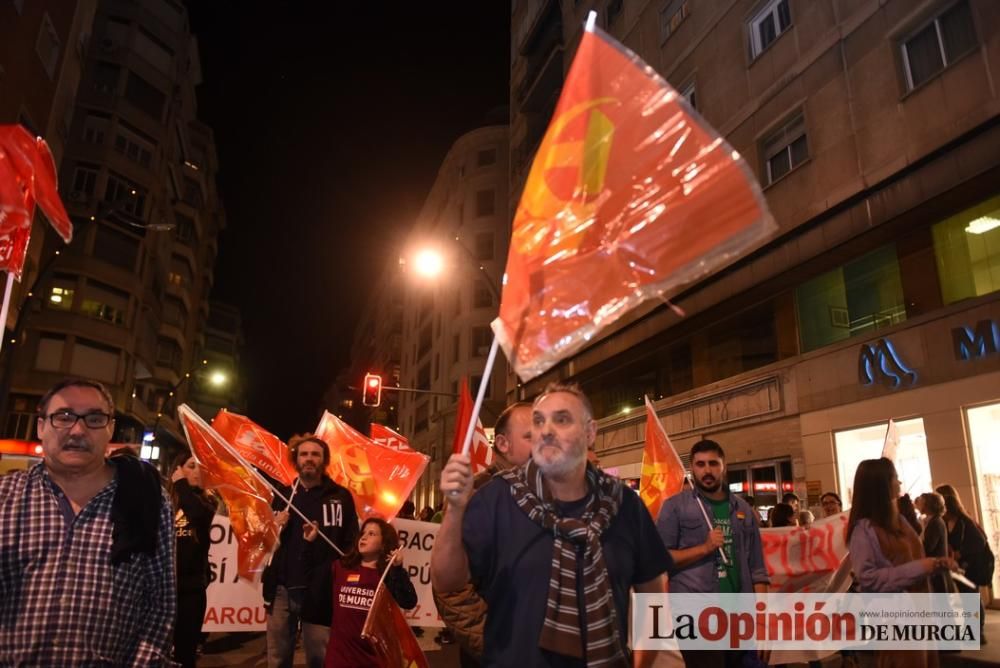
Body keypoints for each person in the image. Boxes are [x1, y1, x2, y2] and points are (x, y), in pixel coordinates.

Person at [432, 382, 673, 666]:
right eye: (538, 421)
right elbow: (446, 581)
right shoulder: (496, 498)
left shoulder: (625, 505)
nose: (546, 430)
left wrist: (642, 664)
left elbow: (654, 597)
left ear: (590, 432)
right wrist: (455, 511)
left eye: (561, 419)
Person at [0, 378, 176, 665]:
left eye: (94, 419)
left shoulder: (147, 502)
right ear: (41, 426)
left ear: (110, 429)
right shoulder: (5, 498)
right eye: (64, 417)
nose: (78, 430)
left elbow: (160, 604)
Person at [433, 402, 533, 667]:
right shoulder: (476, 498)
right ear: (503, 444)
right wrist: (499, 644)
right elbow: (451, 592)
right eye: (531, 435)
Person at [657, 439, 770, 668]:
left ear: (723, 466)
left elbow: (757, 569)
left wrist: (762, 622)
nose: (707, 470)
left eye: (713, 463)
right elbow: (661, 559)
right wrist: (704, 548)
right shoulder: (675, 507)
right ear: (692, 469)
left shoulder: (743, 510)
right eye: (700, 464)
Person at [847, 458, 955, 668]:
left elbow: (913, 559)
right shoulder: (864, 531)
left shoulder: (900, 522)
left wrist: (935, 564)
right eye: (895, 477)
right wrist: (920, 567)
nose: (900, 483)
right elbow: (868, 578)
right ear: (881, 485)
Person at [262, 434, 359, 668]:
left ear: (324, 460)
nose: (309, 459)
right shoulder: (283, 494)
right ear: (296, 459)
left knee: (320, 657)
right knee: (277, 658)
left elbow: (350, 542)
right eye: (304, 454)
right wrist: (274, 526)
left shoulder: (340, 496)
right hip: (282, 588)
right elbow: (264, 541)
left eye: (315, 454)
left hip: (321, 589)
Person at [311, 517, 416, 667]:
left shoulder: (387, 575)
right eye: (363, 533)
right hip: (338, 658)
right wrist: (310, 544)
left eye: (372, 534)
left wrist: (397, 569)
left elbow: (409, 601)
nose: (364, 537)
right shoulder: (340, 567)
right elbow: (311, 580)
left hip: (373, 660)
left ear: (383, 544)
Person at [172, 452, 217, 668]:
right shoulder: (166, 501)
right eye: (191, 466)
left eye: (200, 467)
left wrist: (181, 483)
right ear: (178, 468)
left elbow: (197, 515)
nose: (198, 471)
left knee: (185, 652)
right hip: (163, 589)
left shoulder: (207, 502)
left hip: (190, 590)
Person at [915, 492, 955, 594]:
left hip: (938, 571)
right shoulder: (932, 521)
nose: (918, 504)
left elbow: (928, 547)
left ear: (928, 505)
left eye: (922, 502)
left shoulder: (935, 522)